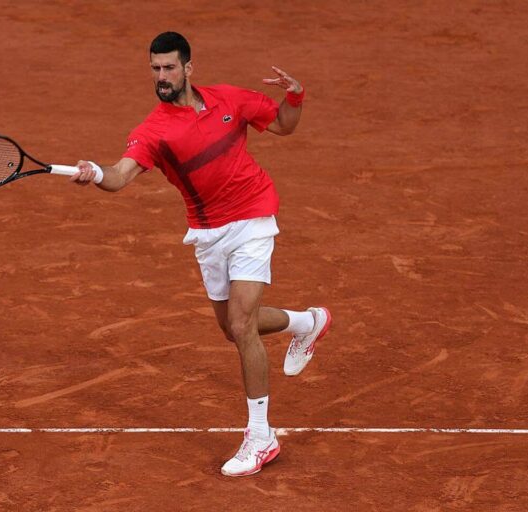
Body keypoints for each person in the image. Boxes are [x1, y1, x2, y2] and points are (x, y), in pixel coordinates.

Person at [71, 32, 332, 477]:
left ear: (188, 68)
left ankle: (261, 436)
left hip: (253, 215)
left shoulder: (231, 100)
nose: (161, 77)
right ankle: (309, 322)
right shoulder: (153, 131)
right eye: (155, 69)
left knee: (241, 323)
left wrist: (296, 94)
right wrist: (94, 172)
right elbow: (118, 176)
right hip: (208, 233)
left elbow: (286, 124)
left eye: (169, 68)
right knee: (233, 329)